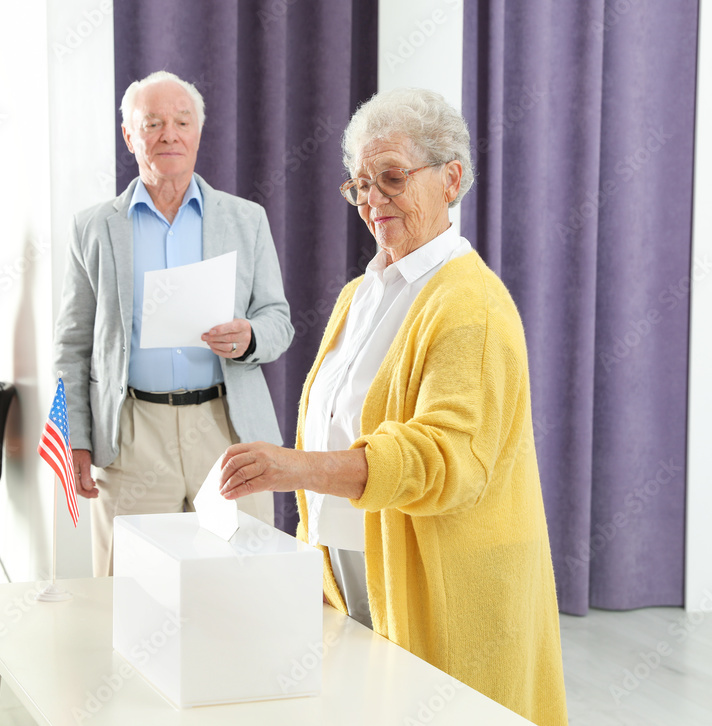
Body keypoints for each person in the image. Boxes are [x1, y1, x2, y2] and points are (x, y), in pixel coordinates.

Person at [218, 88, 567, 725]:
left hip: (447, 586)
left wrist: (295, 467)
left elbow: (443, 458)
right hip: (351, 569)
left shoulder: (472, 305)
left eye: (393, 178)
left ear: (451, 178)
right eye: (360, 185)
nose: (373, 200)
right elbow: (333, 419)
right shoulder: (359, 295)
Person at [54, 70, 294, 576]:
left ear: (198, 133)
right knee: (134, 594)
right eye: (153, 123)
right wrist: (74, 437)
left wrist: (249, 336)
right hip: (133, 433)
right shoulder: (93, 228)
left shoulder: (245, 219)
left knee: (241, 583)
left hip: (226, 429)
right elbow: (72, 344)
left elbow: (279, 321)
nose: (169, 134)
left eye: (182, 122)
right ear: (129, 136)